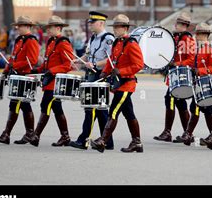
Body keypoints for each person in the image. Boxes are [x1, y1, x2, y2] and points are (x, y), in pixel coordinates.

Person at [92, 14, 145, 153]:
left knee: (113, 111)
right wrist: (105, 72)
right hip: (119, 84)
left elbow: (139, 65)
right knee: (129, 114)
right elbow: (111, 61)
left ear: (125, 28)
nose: (114, 29)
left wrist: (121, 71)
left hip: (127, 84)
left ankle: (103, 140)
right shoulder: (116, 42)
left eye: (117, 27)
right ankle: (137, 143)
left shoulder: (131, 43)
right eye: (114, 26)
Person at [69, 11, 115, 150]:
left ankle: (83, 140)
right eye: (90, 22)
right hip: (91, 75)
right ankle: (108, 141)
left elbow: (111, 59)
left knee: (91, 108)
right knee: (101, 110)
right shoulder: (93, 38)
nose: (90, 25)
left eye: (93, 22)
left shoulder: (108, 38)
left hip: (100, 75)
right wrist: (78, 60)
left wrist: (95, 64)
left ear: (101, 23)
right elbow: (88, 54)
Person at [29, 16, 74, 147]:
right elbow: (47, 63)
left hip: (56, 83)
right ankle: (65, 136)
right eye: (47, 27)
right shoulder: (51, 42)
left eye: (50, 27)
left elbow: (68, 64)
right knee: (57, 109)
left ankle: (36, 135)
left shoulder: (63, 42)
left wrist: (52, 71)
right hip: (49, 82)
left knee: (46, 106)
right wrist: (38, 70)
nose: (47, 30)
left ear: (58, 28)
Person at [0, 16, 40, 145]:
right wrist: (5, 70)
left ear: (27, 26)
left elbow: (32, 60)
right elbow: (13, 58)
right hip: (16, 76)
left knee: (20, 104)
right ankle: (25, 134)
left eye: (20, 26)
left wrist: (14, 66)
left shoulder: (31, 40)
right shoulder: (19, 40)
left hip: (25, 76)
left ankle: (15, 134)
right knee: (19, 104)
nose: (17, 28)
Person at [154, 11, 196, 143]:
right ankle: (187, 134)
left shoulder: (187, 39)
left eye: (177, 23)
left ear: (183, 25)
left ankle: (169, 132)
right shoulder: (177, 38)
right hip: (175, 75)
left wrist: (176, 63)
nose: (175, 25)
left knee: (171, 99)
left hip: (181, 75)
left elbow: (191, 59)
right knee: (180, 102)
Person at [176, 22, 212, 146]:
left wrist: (199, 71)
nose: (196, 36)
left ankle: (188, 134)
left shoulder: (211, 49)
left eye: (199, 34)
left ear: (205, 35)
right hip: (197, 82)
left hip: (206, 82)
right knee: (205, 109)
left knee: (200, 107)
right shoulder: (196, 49)